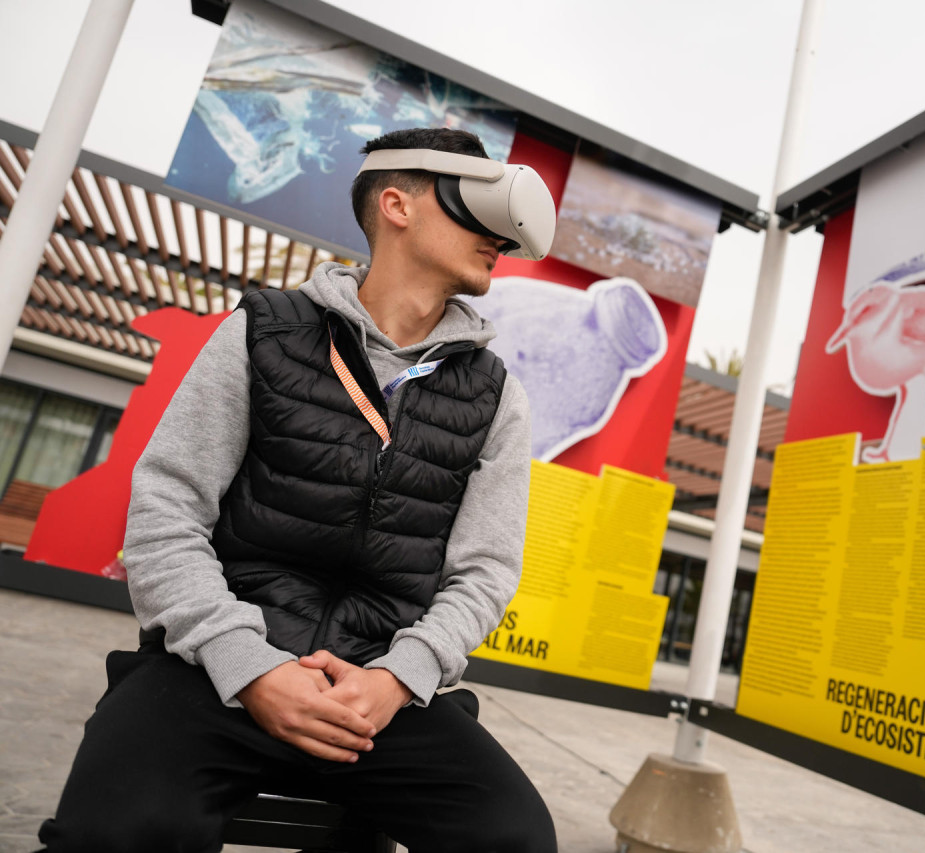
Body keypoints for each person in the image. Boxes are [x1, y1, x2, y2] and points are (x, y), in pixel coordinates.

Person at [36, 127, 558, 853]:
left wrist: (397, 680)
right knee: (120, 833)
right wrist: (251, 666)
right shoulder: (261, 333)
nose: (498, 235)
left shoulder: (496, 394)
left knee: (515, 840)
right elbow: (165, 512)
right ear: (397, 204)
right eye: (474, 204)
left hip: (380, 688)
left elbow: (486, 571)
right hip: (214, 666)